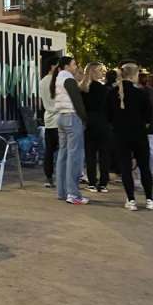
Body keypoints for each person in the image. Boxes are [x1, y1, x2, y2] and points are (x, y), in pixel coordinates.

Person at [107, 63, 153, 211]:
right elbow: (149, 116)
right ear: (134, 75)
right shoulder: (141, 94)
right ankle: (150, 199)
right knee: (144, 167)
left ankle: (130, 200)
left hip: (120, 134)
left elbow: (108, 115)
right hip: (139, 134)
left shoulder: (112, 93)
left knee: (125, 168)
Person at [51, 56, 89, 205]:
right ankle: (73, 194)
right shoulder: (68, 78)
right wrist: (84, 118)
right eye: (74, 64)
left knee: (63, 154)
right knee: (74, 157)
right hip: (72, 118)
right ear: (67, 66)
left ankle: (62, 191)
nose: (76, 67)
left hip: (61, 117)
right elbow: (77, 100)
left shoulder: (59, 78)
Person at [80, 62, 111, 193]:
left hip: (88, 122)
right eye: (100, 70)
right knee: (104, 153)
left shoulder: (82, 89)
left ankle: (92, 182)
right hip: (103, 122)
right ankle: (103, 183)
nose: (102, 72)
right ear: (94, 72)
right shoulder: (103, 89)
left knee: (90, 153)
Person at [38, 57, 60, 188]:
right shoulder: (58, 81)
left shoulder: (42, 81)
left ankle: (48, 177)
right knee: (63, 151)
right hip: (59, 120)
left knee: (49, 151)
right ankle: (63, 177)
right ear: (52, 66)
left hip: (48, 120)